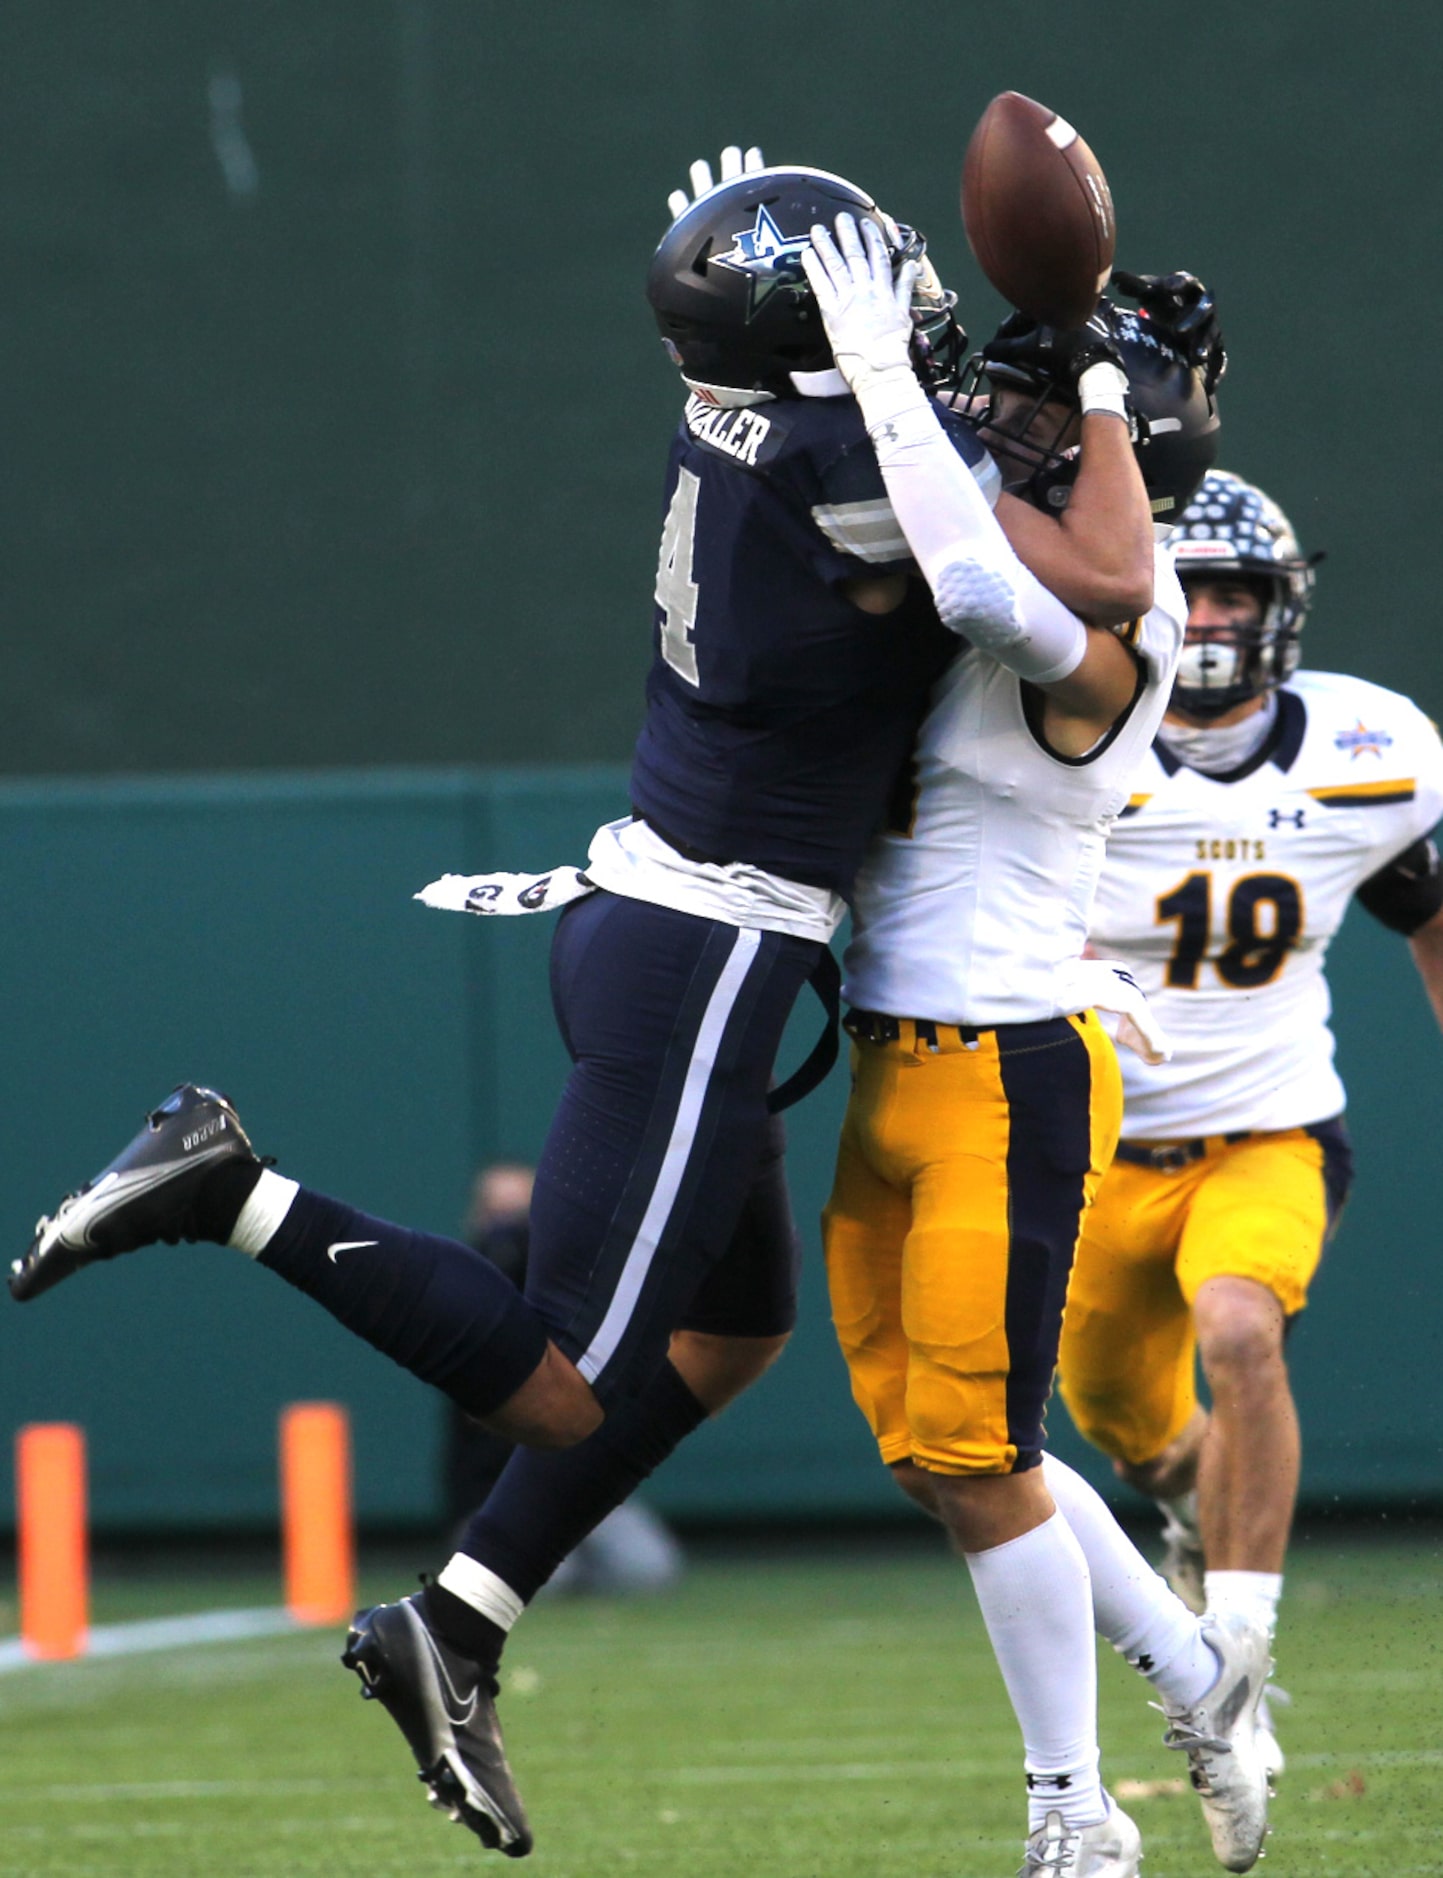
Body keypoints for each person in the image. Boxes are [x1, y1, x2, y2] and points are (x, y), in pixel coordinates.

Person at [7, 155, 1232, 1869]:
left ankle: (459, 1615)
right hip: (709, 943)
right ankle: (230, 1186)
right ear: (815, 345)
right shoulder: (863, 470)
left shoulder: (730, 410)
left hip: (655, 898)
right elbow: (1040, 567)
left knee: (730, 1336)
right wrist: (1023, 377)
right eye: (873, 291)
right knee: (563, 1382)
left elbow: (857, 412)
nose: (925, 323)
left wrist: (784, 273)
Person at [802, 224, 1275, 1876]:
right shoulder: (968, 645)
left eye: (1052, 450)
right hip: (896, 1068)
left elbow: (980, 571)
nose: (1005, 459)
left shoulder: (1104, 659)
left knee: (986, 1455)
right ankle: (1196, 1661)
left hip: (1004, 1069)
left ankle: (1072, 1813)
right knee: (948, 1461)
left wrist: (893, 382)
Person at [1056, 468, 1443, 1781]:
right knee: (1119, 1417)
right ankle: (1184, 1504)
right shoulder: (1064, 736)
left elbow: (1425, 911)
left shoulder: (1367, 750)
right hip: (1099, 1145)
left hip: (1267, 1127)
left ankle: (1235, 1651)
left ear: (1281, 607)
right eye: (1187, 587)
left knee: (1236, 1325)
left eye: (1233, 590)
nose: (1210, 614)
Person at [442, 1163, 684, 1594]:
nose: (513, 1233)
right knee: (539, 1583)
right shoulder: (461, 1305)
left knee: (647, 1568)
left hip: (583, 1495)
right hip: (499, 1501)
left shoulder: (583, 1303)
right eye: (500, 1215)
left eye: (522, 1216)